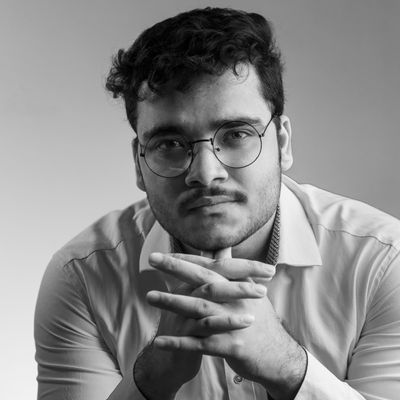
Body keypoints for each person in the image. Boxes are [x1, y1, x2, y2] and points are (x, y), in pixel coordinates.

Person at [34, 7, 400, 400]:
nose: (206, 173)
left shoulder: (383, 260)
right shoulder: (81, 277)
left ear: (282, 143)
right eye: (170, 144)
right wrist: (150, 378)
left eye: (237, 134)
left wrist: (287, 366)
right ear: (138, 164)